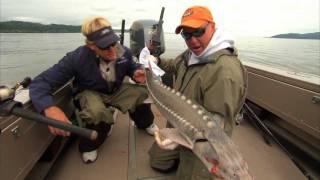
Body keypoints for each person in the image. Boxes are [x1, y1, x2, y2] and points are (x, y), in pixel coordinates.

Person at [29, 16, 159, 164]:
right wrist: (49, 108)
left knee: (141, 94)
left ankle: (145, 123)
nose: (112, 50)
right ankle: (89, 145)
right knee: (97, 113)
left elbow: (132, 67)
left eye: (113, 42)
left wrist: (137, 74)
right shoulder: (75, 58)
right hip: (90, 92)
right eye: (105, 46)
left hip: (115, 90)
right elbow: (40, 82)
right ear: (91, 46)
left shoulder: (123, 51)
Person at [148, 6, 248, 179]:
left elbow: (217, 126)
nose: (193, 40)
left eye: (198, 31)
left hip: (206, 137)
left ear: (212, 27)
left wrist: (189, 137)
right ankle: (182, 156)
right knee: (157, 161)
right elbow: (175, 65)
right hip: (181, 121)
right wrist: (156, 60)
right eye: (187, 35)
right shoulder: (192, 53)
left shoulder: (224, 71)